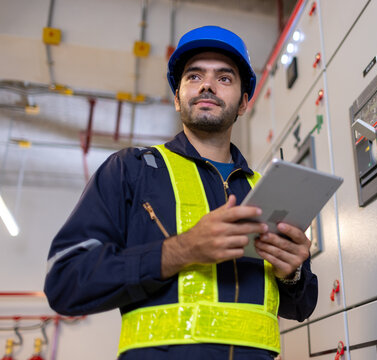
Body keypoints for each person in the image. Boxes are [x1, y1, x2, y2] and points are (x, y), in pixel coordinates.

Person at [44, 25, 318, 359]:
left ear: (244, 103)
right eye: (193, 76)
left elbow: (300, 307)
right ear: (177, 98)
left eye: (224, 78)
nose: (207, 85)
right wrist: (181, 250)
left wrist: (292, 273)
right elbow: (66, 281)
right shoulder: (132, 169)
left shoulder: (264, 188)